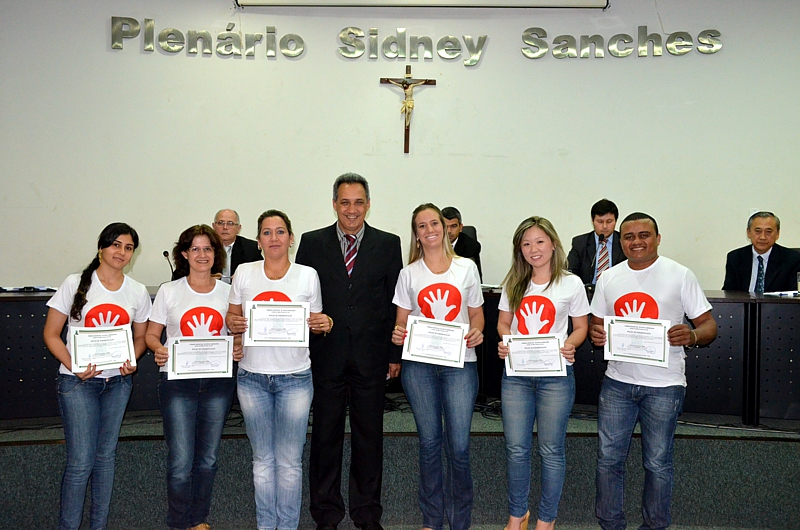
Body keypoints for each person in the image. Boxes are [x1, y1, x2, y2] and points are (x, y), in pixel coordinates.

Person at [589, 212, 717, 530]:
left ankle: (655, 525)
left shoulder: (679, 275)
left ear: (657, 238)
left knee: (657, 463)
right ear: (621, 241)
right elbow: (596, 324)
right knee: (608, 458)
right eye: (629, 236)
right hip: (617, 382)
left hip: (665, 384)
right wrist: (597, 334)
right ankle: (610, 523)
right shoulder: (608, 277)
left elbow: (709, 326)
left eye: (644, 235)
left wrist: (694, 335)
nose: (637, 242)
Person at [295, 173, 403, 530]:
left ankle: (366, 512)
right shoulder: (312, 243)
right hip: (326, 355)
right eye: (345, 202)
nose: (352, 209)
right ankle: (326, 513)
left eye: (358, 202)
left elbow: (394, 304)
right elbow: (301, 298)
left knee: (369, 438)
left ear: (368, 204)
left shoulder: (389, 244)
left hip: (371, 358)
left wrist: (393, 355)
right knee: (325, 436)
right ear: (334, 204)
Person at [42, 222, 152, 530]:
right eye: (116, 245)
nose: (122, 252)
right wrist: (74, 365)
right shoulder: (75, 283)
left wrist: (133, 359)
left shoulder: (137, 290)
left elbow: (141, 337)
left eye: (128, 248)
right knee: (80, 463)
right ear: (102, 247)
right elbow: (51, 334)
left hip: (118, 383)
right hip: (77, 383)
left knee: (105, 459)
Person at [225, 210, 329, 530]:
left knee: (288, 464)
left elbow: (317, 322)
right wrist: (236, 326)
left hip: (295, 379)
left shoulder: (307, 275)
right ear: (258, 242)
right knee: (261, 463)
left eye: (280, 231)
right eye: (267, 233)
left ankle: (287, 526)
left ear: (291, 238)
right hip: (252, 378)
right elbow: (231, 318)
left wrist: (323, 324)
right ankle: (266, 526)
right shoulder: (243, 272)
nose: (274, 238)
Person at [391, 204, 484, 530]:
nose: (429, 229)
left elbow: (476, 316)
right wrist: (398, 333)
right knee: (429, 443)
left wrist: (477, 331)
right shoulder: (408, 274)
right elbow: (401, 323)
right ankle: (431, 518)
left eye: (434, 223)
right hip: (419, 368)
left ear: (446, 228)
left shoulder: (466, 268)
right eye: (421, 225)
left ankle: (460, 520)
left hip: (460, 365)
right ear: (415, 234)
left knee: (458, 446)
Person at [146, 224, 243, 530]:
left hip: (218, 384)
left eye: (209, 249)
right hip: (177, 383)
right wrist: (158, 349)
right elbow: (151, 334)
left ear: (217, 254)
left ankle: (198, 520)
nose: (202, 255)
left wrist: (237, 347)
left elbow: (236, 335)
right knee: (180, 461)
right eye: (196, 249)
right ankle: (178, 523)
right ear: (184, 254)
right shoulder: (169, 290)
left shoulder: (229, 293)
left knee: (208, 459)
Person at [495, 216, 590, 530]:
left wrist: (571, 344)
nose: (533, 249)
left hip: (556, 376)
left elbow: (581, 328)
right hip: (517, 375)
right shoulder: (514, 282)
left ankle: (546, 520)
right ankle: (517, 515)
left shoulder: (571, 283)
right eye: (525, 244)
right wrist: (505, 342)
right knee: (516, 448)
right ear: (519, 249)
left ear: (553, 243)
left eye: (539, 241)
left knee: (551, 449)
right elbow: (504, 323)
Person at [722, 211, 800, 292]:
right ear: (749, 233)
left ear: (777, 234)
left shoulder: (792, 259)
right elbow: (729, 293)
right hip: (745, 304)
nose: (762, 237)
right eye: (758, 231)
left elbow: (793, 297)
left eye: (768, 232)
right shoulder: (735, 258)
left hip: (775, 304)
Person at [567, 199, 625, 300]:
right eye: (600, 221)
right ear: (592, 220)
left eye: (609, 221)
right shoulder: (580, 243)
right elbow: (570, 272)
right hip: (588, 297)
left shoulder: (624, 242)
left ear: (616, 221)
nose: (605, 226)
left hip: (618, 295)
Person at [212, 209, 262, 284]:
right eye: (220, 223)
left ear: (238, 228)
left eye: (230, 223)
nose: (225, 227)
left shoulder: (251, 248)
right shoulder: (205, 248)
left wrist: (244, 277)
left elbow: (260, 274)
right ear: (214, 226)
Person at [442, 206, 483, 282]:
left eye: (453, 226)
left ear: (460, 227)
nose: (449, 231)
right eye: (445, 226)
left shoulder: (471, 247)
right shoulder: (431, 245)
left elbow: (472, 279)